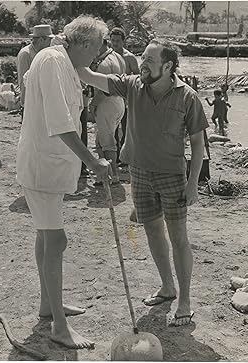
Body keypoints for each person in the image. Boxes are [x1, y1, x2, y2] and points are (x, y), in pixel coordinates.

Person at [77, 38, 209, 327]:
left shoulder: (188, 97)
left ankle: (184, 300)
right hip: (138, 173)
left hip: (172, 176)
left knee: (178, 238)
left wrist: (192, 184)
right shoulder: (132, 84)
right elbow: (88, 76)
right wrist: (73, 47)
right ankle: (167, 287)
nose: (142, 63)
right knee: (152, 232)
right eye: (143, 58)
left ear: (168, 65)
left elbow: (198, 145)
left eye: (149, 59)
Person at [16, 16, 111, 349]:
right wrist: (93, 161)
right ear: (84, 43)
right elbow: (60, 122)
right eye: (97, 48)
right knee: (56, 241)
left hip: (49, 166)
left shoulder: (60, 61)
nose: (97, 55)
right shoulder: (54, 60)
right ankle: (58, 326)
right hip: (43, 164)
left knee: (47, 237)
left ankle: (48, 304)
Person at [89, 38, 126, 186]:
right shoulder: (117, 57)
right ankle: (106, 174)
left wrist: (93, 104)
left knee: (107, 141)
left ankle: (113, 174)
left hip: (107, 103)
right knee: (102, 139)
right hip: (119, 102)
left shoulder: (104, 64)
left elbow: (105, 89)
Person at [109, 27, 139, 164]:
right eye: (112, 40)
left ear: (123, 41)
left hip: (126, 98)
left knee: (127, 127)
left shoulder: (129, 58)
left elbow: (138, 77)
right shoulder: (107, 56)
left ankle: (126, 156)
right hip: (111, 97)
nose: (114, 43)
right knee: (112, 128)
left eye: (117, 41)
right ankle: (115, 156)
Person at [17, 25, 54, 118]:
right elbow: (24, 82)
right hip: (31, 104)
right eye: (49, 40)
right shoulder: (26, 54)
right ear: (42, 40)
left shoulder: (42, 52)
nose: (51, 43)